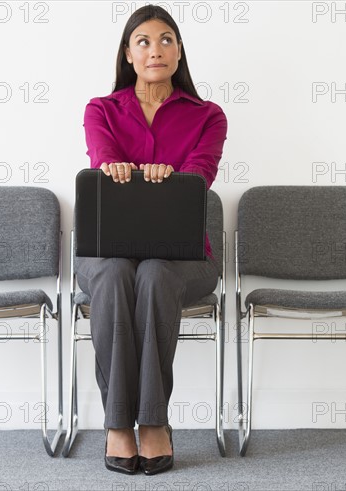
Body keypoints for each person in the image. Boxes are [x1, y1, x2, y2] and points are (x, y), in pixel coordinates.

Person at [76, 4, 227, 476]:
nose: (155, 49)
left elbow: (200, 175)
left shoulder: (209, 115)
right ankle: (119, 424)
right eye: (143, 41)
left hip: (182, 258)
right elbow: (102, 156)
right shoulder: (101, 109)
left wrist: (175, 177)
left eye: (166, 40)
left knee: (155, 275)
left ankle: (154, 421)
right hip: (108, 253)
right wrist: (116, 168)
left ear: (179, 53)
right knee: (120, 273)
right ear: (128, 53)